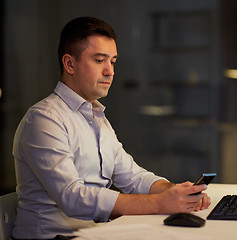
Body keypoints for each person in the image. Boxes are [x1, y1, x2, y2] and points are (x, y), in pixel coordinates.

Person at [12, 16, 210, 240]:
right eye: (99, 60)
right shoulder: (44, 120)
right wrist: (159, 203)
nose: (110, 71)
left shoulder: (96, 117)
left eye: (113, 61)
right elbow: (73, 198)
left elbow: (133, 177)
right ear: (69, 64)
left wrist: (174, 191)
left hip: (96, 234)